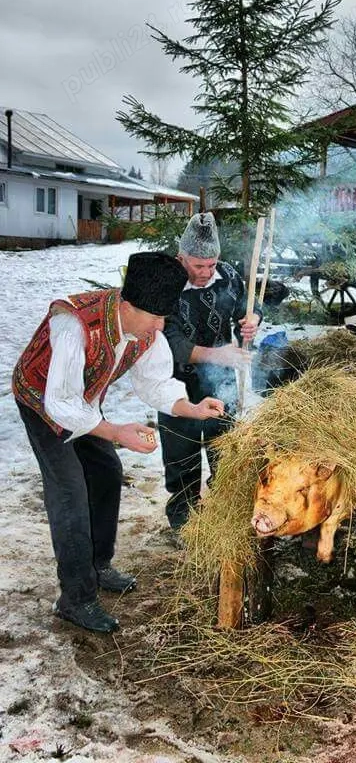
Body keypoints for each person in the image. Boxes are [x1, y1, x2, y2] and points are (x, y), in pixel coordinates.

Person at [12, 251, 226, 634]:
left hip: (84, 401)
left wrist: (191, 408)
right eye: (155, 317)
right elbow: (61, 403)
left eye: (164, 317)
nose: (160, 326)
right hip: (43, 400)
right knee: (70, 492)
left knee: (107, 471)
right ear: (127, 306)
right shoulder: (74, 324)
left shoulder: (146, 330)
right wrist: (114, 431)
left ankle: (99, 565)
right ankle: (76, 599)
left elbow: (154, 383)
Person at [159, 212, 261, 532]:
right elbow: (170, 340)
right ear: (182, 257)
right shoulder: (166, 283)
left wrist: (251, 320)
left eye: (211, 264)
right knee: (181, 453)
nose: (205, 272)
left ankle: (225, 512)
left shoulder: (227, 275)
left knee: (224, 446)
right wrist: (217, 355)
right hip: (176, 382)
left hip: (222, 381)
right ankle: (185, 522)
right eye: (198, 265)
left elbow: (249, 305)